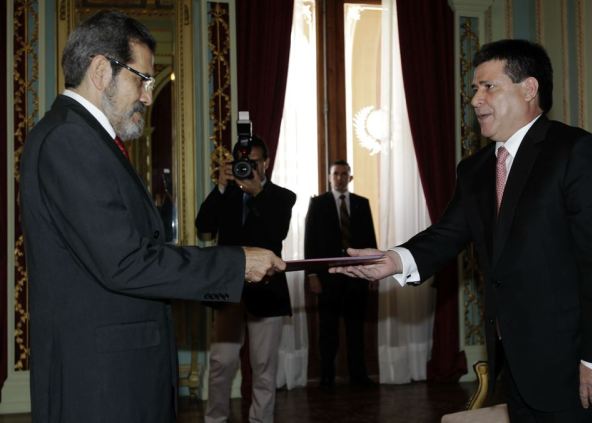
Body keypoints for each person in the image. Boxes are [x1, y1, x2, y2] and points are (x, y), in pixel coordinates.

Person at [331, 39, 592, 421]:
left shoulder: (576, 152)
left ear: (529, 89)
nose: (475, 100)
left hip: (578, 366)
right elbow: (447, 234)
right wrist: (392, 260)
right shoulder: (476, 169)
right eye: (474, 88)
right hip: (515, 367)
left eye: (488, 86)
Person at [19, 10, 283, 423]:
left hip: (111, 376)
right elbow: (125, 261)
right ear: (102, 70)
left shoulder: (82, 137)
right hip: (101, 385)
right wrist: (236, 262)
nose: (147, 94)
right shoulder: (71, 139)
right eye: (142, 79)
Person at [195, 136, 296, 423]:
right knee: (221, 363)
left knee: (264, 366)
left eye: (253, 162)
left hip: (267, 290)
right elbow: (203, 226)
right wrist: (222, 186)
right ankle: (215, 419)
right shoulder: (226, 195)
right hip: (228, 289)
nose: (248, 167)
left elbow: (275, 234)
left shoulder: (282, 197)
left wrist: (257, 194)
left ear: (266, 163)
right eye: (243, 162)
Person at [304, 160, 377, 388]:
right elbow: (310, 242)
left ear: (350, 177)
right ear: (329, 177)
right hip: (327, 279)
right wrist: (312, 275)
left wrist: (372, 273)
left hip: (356, 277)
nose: (340, 177)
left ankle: (359, 376)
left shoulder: (362, 204)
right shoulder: (318, 204)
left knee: (356, 330)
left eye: (344, 174)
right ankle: (327, 378)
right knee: (328, 330)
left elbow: (370, 242)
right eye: (336, 174)